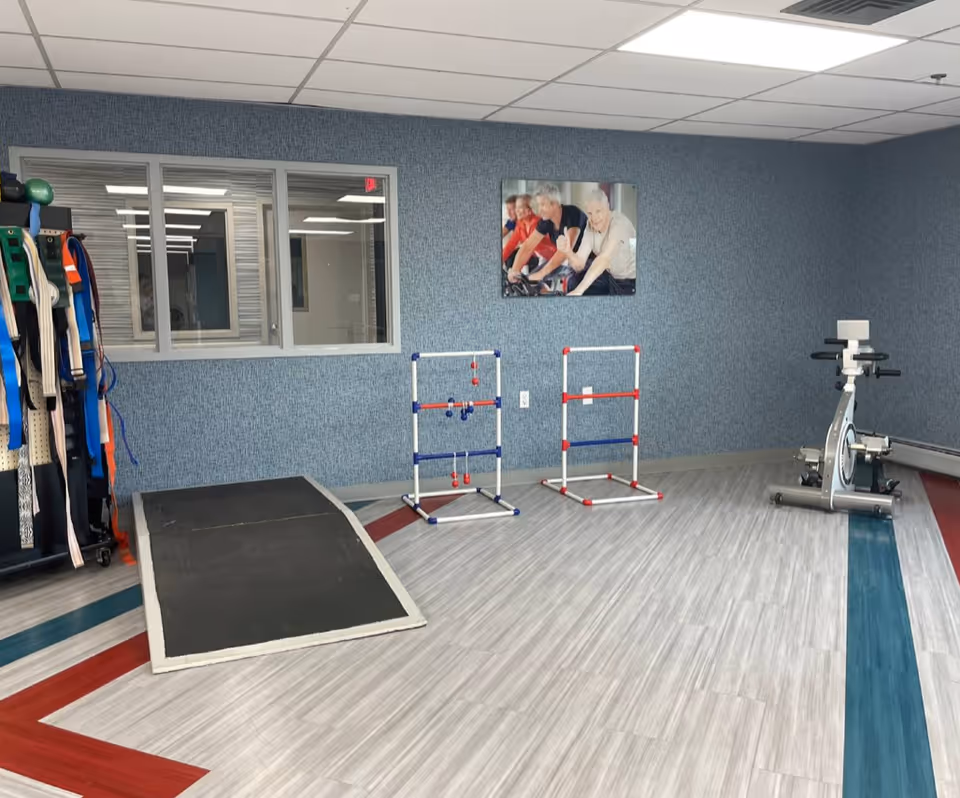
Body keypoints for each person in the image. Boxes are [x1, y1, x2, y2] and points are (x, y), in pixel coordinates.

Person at [559, 188, 636, 296]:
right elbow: (579, 264)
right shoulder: (590, 226)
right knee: (574, 280)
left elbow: (605, 259)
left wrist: (579, 291)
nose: (594, 218)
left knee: (581, 286)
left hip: (631, 283)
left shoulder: (620, 223)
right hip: (611, 278)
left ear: (607, 207)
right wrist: (568, 252)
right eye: (590, 213)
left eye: (598, 211)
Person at [508, 184, 586, 286]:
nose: (539, 210)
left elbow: (566, 250)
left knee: (539, 279)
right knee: (528, 283)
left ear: (555, 203)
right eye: (539, 205)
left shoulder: (572, 213)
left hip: (585, 261)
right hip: (568, 262)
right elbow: (528, 246)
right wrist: (515, 271)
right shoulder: (546, 221)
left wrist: (541, 274)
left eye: (543, 205)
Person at [502, 194, 555, 272]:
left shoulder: (538, 223)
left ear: (529, 210)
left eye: (520, 207)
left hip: (553, 258)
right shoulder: (520, 225)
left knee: (534, 279)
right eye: (516, 207)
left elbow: (527, 248)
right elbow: (511, 245)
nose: (516, 210)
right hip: (540, 258)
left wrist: (515, 269)